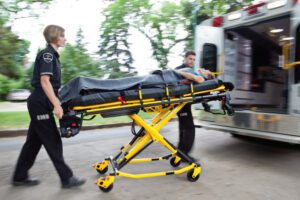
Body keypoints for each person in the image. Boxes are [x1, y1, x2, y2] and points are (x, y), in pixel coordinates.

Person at [12, 25, 86, 188]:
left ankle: (19, 176)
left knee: (33, 142)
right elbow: (45, 81)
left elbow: (50, 85)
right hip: (40, 101)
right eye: (62, 36)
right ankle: (67, 179)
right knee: (53, 140)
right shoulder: (48, 55)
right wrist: (56, 104)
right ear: (54, 37)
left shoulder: (53, 56)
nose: (65, 39)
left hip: (41, 102)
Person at [175, 50, 214, 160]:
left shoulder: (189, 70)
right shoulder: (180, 69)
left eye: (193, 59)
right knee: (189, 128)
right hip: (181, 104)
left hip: (184, 104)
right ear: (185, 58)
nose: (192, 61)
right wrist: (201, 76)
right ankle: (184, 154)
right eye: (190, 59)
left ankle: (180, 152)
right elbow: (197, 79)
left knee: (183, 128)